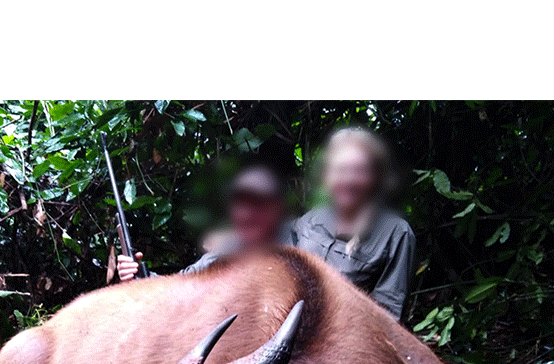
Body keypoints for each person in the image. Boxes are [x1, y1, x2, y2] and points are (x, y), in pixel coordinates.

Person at [288, 127, 416, 321]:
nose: (348, 180)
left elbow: (388, 316)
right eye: (341, 170)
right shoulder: (309, 221)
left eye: (359, 170)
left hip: (348, 337)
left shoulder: (396, 234)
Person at [117, 165, 288, 281]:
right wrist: (137, 275)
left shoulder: (305, 236)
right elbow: (181, 287)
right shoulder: (225, 254)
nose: (247, 214)